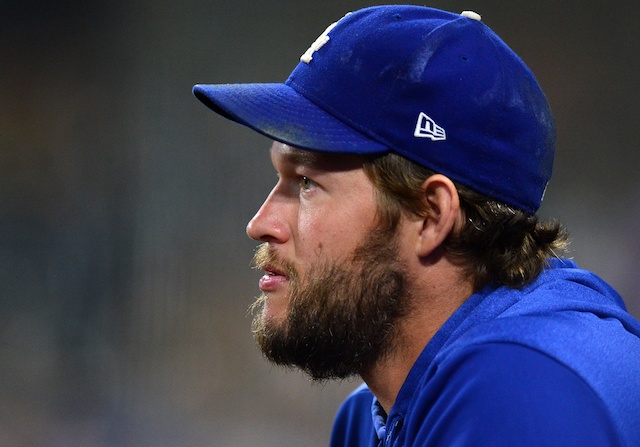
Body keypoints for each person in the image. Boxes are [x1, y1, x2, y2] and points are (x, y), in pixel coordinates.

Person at [193, 5, 640, 446]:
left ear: (431, 216)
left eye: (307, 182)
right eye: (282, 178)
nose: (261, 224)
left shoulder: (520, 392)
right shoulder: (372, 416)